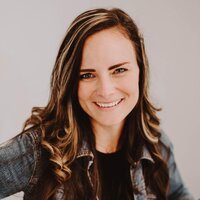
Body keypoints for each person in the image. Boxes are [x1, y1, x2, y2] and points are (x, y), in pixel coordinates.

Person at [0, 8, 194, 200]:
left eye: (119, 70)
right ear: (70, 82)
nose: (106, 90)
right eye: (87, 75)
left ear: (140, 71)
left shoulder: (156, 144)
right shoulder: (38, 152)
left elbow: (178, 194)